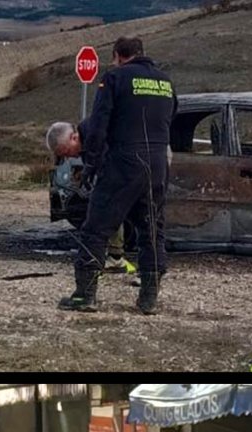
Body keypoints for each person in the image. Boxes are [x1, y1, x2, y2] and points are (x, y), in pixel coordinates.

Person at [59, 36, 177, 315]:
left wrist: (91, 166)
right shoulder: (165, 82)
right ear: (141, 53)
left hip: (123, 162)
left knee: (96, 228)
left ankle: (84, 295)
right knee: (151, 230)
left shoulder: (114, 78)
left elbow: (99, 125)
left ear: (117, 56)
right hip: (158, 163)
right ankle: (148, 298)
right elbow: (172, 114)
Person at [46, 121, 137, 276]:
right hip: (124, 172)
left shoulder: (97, 134)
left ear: (73, 138)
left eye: (67, 152)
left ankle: (145, 269)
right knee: (109, 207)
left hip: (135, 166)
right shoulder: (86, 142)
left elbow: (108, 167)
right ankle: (114, 257)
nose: (69, 157)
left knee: (121, 210)